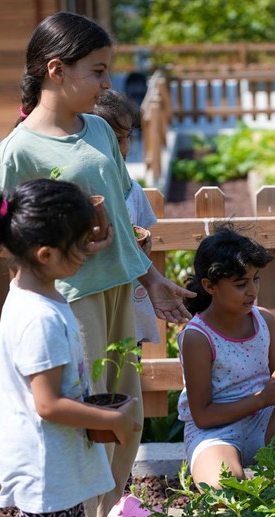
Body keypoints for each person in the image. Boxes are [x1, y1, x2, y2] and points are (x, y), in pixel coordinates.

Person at [0, 11, 194, 517]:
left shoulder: (98, 129)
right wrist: (52, 247)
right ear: (56, 70)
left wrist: (151, 280)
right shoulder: (19, 150)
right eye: (98, 72)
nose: (107, 86)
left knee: (126, 417)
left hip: (118, 292)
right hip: (68, 302)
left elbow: (122, 219)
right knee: (84, 425)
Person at [0, 179, 144, 517]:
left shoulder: (33, 287)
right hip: (46, 471)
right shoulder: (40, 319)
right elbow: (47, 404)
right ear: (47, 254)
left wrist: (85, 236)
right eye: (81, 246)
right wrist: (113, 419)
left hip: (55, 465)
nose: (88, 251)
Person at [177, 225, 275, 489]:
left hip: (264, 423)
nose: (252, 290)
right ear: (209, 286)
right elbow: (203, 415)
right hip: (216, 433)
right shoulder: (198, 337)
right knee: (224, 488)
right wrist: (263, 398)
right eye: (241, 284)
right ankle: (230, 471)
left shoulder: (264, 320)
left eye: (256, 279)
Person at [93, 88, 159, 345]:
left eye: (127, 137)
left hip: (130, 303)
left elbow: (139, 234)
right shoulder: (84, 193)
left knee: (129, 367)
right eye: (114, 139)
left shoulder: (132, 190)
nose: (124, 147)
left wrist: (145, 246)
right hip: (96, 300)